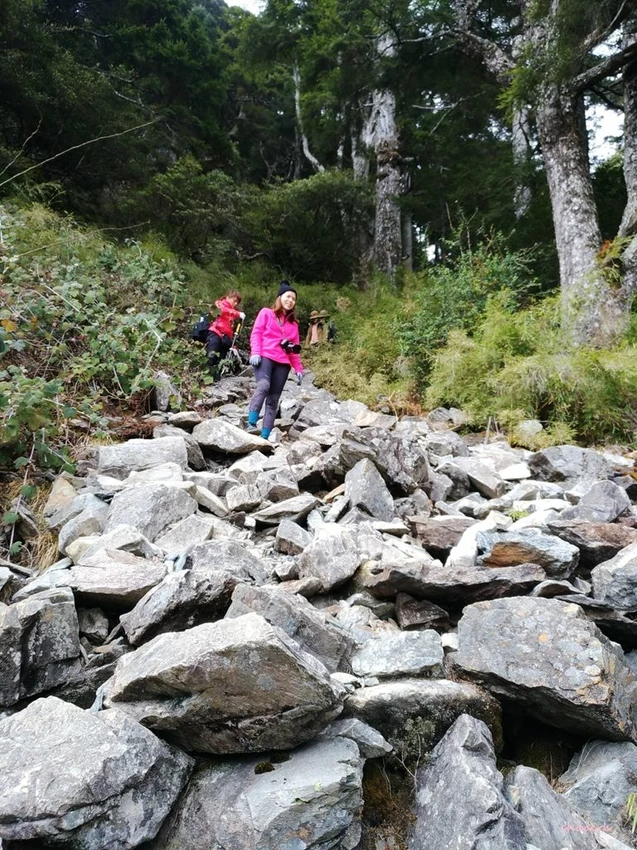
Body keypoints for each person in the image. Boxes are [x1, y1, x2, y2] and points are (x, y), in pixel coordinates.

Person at [247, 281, 303, 439]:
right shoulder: (266, 313)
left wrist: (298, 369)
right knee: (264, 386)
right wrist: (255, 352)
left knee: (273, 399)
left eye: (293, 298)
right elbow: (256, 333)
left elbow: (294, 350)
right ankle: (250, 423)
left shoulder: (294, 325)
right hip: (265, 356)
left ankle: (265, 436)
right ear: (280, 297)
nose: (290, 300)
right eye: (288, 296)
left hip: (283, 364)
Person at [205, 289, 245, 378]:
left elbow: (229, 329)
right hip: (215, 333)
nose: (235, 304)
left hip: (225, 338)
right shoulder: (220, 304)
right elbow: (222, 310)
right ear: (227, 298)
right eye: (234, 301)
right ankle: (205, 377)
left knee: (220, 360)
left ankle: (215, 378)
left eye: (237, 302)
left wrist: (232, 345)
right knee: (211, 356)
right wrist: (237, 313)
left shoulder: (231, 312)